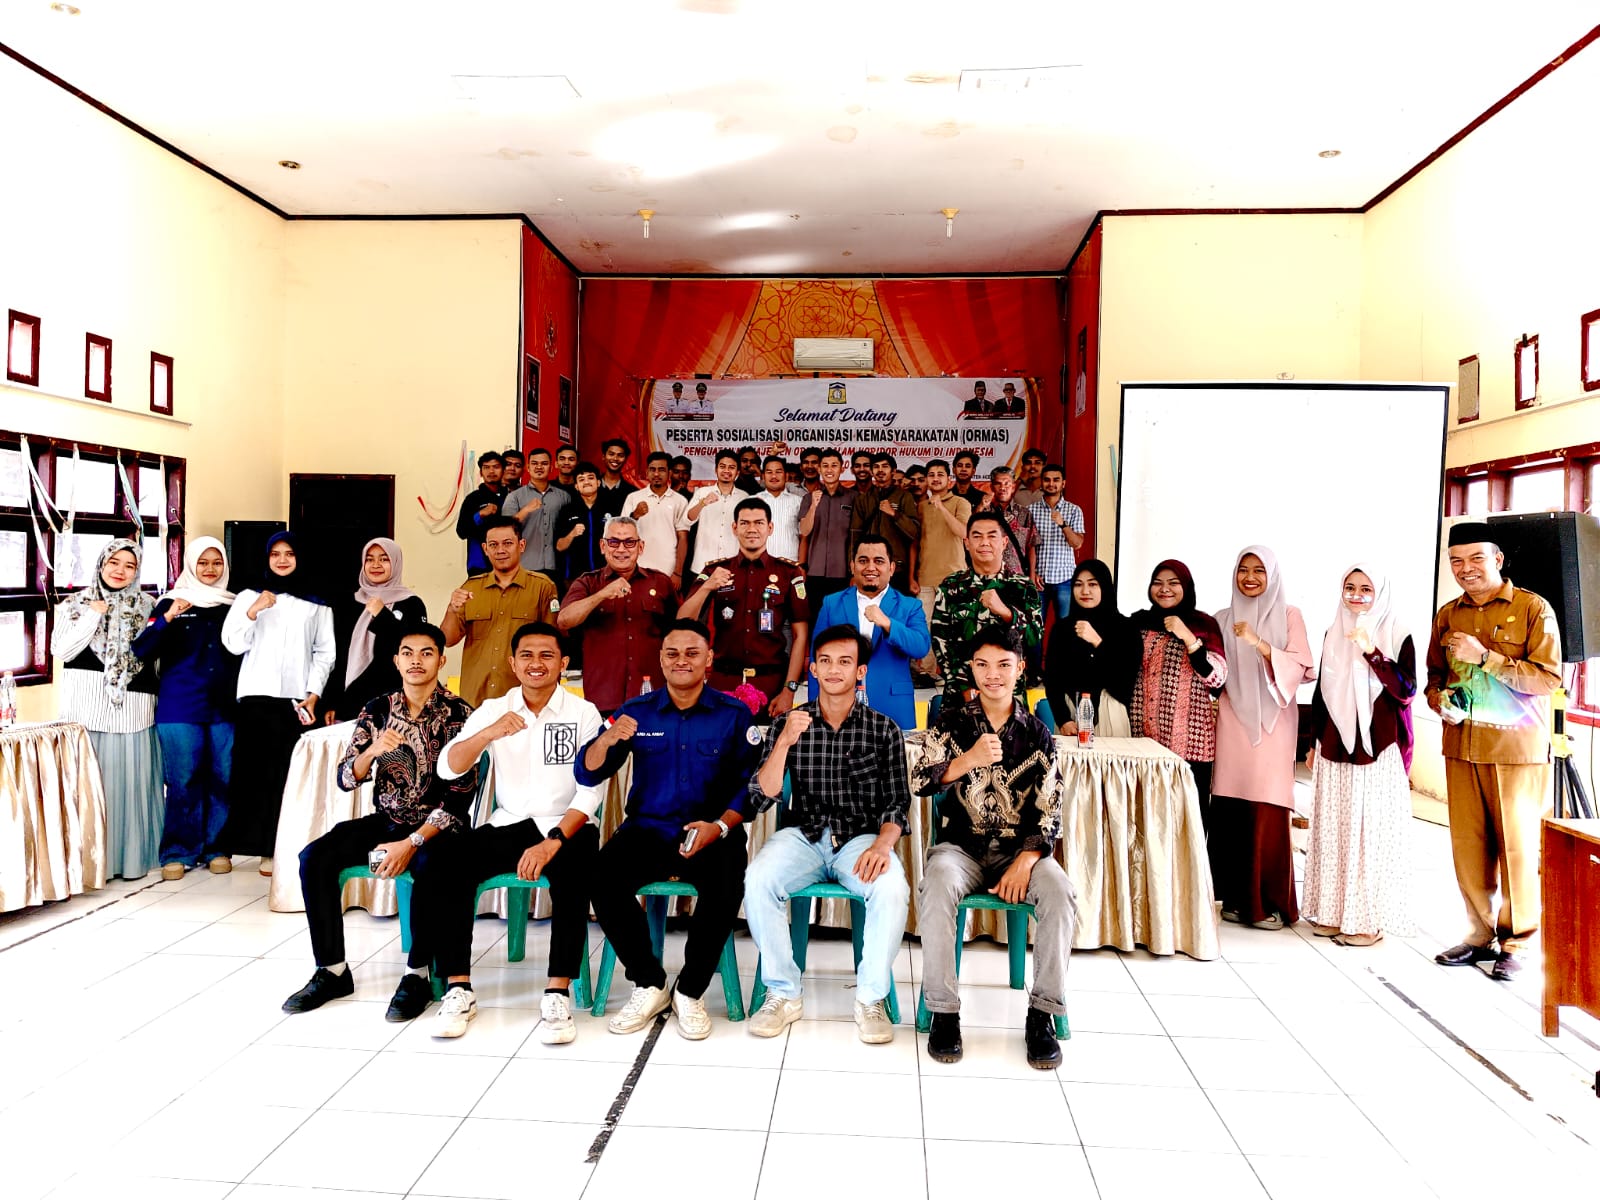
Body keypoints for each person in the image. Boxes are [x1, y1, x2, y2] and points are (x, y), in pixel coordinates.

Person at [281, 626, 476, 1021]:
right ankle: (332, 970)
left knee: (431, 864)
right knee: (314, 858)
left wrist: (412, 842)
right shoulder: (377, 709)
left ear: (441, 660)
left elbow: (461, 796)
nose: (416, 660)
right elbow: (345, 778)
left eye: (426, 653)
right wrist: (371, 751)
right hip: (387, 819)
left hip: (441, 828)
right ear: (396, 661)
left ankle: (417, 975)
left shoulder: (460, 713)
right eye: (408, 652)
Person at [577, 620, 760, 1039]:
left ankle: (690, 991)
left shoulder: (733, 715)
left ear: (709, 659)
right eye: (672, 653)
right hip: (649, 830)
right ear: (660, 660)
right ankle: (649, 982)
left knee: (726, 886)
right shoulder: (635, 712)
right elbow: (589, 773)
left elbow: (751, 787)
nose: (682, 661)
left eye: (692, 653)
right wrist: (606, 739)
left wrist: (719, 826)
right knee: (601, 877)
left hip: (712, 833)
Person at [427, 622, 604, 1041]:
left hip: (567, 825)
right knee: (447, 862)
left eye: (546, 655)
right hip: (510, 822)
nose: (535, 664)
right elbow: (448, 767)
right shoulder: (494, 709)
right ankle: (458, 987)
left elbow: (592, 790)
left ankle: (557, 991)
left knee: (574, 874)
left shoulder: (584, 713)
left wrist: (552, 843)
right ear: (512, 662)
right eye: (526, 655)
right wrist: (488, 733)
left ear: (563, 663)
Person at [913, 626, 1070, 1069]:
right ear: (972, 669)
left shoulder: (1038, 732)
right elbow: (920, 780)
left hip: (1020, 852)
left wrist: (1026, 859)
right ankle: (944, 1012)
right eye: (983, 665)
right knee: (936, 884)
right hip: (961, 848)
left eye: (1003, 665)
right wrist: (967, 760)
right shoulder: (951, 721)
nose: (993, 675)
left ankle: (1042, 1015)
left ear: (1020, 669)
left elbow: (1051, 809)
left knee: (1059, 892)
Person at [745, 627, 912, 1042]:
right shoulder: (790, 722)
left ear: (861, 671)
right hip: (803, 835)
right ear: (814, 669)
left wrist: (882, 846)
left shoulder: (883, 729)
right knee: (759, 878)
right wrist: (784, 742)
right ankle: (783, 992)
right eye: (825, 661)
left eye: (844, 662)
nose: (834, 670)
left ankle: (870, 997)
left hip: (860, 839)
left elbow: (897, 802)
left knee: (891, 888)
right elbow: (761, 796)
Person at [1426, 523, 1561, 981]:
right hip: (1462, 747)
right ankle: (1478, 936)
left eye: (1476, 558)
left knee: (1518, 850)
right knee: (1468, 849)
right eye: (1456, 561)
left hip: (1515, 751)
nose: (1466, 569)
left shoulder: (1532, 608)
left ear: (1498, 559)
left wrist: (1485, 657)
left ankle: (1517, 943)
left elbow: (1548, 678)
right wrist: (1439, 700)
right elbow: (1435, 675)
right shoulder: (1448, 615)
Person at [1304, 564, 1417, 947]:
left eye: (1365, 589)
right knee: (1336, 827)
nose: (1356, 595)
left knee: (1368, 832)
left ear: (1379, 592)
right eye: (1350, 587)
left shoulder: (1398, 632)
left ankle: (1367, 919)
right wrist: (1312, 743)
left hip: (1378, 746)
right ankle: (1334, 912)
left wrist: (1372, 652)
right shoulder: (1332, 632)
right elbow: (1322, 691)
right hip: (1334, 742)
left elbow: (1406, 691)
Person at [1211, 547, 1315, 930]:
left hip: (1274, 725)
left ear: (1272, 576)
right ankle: (1235, 900)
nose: (1250, 577)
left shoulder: (1289, 616)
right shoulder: (1222, 619)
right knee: (1232, 807)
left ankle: (1267, 902)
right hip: (1232, 721)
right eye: (1244, 569)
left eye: (1259, 570)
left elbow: (1301, 665)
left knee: (1267, 807)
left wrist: (1259, 643)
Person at [221, 531, 336, 874]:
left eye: (289, 554)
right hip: (255, 695)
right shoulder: (248, 595)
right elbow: (232, 643)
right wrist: (253, 611)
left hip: (296, 700)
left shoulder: (317, 601)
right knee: (250, 773)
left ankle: (277, 848)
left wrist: (314, 693)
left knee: (286, 775)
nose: (282, 560)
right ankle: (246, 844)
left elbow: (325, 652)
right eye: (275, 554)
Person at [52, 538, 163, 880]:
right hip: (87, 712)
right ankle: (88, 864)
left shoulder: (149, 606)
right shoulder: (75, 604)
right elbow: (62, 651)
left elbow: (157, 658)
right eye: (114, 562)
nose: (120, 571)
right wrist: (92, 615)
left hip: (134, 712)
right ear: (101, 564)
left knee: (129, 792)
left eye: (130, 566)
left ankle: (129, 862)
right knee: (90, 790)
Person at [132, 536, 240, 878]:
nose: (210, 569)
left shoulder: (234, 605)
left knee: (222, 778)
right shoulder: (170, 601)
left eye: (217, 563)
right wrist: (168, 617)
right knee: (183, 780)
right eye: (203, 563)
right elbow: (142, 650)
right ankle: (178, 851)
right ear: (191, 564)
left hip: (224, 707)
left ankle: (217, 848)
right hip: (179, 706)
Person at [1129, 560, 1229, 867]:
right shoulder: (1139, 622)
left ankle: (1188, 887)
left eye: (1173, 583)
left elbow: (1216, 677)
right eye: (1158, 582)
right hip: (1144, 738)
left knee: (1188, 821)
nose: (1165, 589)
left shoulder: (1203, 625)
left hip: (1190, 745)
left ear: (1186, 587)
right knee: (1146, 819)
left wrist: (1188, 637)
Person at [680, 497, 809, 717]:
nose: (751, 529)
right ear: (734, 528)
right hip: (723, 682)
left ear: (770, 528)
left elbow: (801, 636)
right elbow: (682, 621)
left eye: (759, 523)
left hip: (771, 685)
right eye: (744, 523)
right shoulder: (715, 571)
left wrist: (789, 690)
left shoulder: (789, 573)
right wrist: (707, 587)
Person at [558, 516, 675, 715]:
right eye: (614, 542)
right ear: (602, 546)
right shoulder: (588, 583)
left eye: (629, 542)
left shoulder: (660, 582)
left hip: (652, 696)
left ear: (641, 547)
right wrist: (601, 595)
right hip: (603, 698)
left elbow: (679, 632)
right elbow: (564, 621)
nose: (621, 549)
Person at [810, 537, 929, 730]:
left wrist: (888, 624)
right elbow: (816, 658)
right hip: (838, 709)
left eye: (879, 561)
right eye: (863, 561)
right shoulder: (831, 603)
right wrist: (815, 710)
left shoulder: (910, 606)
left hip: (893, 707)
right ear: (852, 566)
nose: (870, 567)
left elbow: (921, 647)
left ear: (891, 568)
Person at [441, 516, 558, 707]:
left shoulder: (542, 587)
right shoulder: (471, 588)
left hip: (524, 700)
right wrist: (452, 609)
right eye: (493, 545)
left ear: (521, 545)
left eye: (508, 543)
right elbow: (447, 639)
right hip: (476, 698)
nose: (500, 550)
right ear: (485, 549)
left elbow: (553, 645)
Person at [931, 512, 1043, 707]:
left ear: (1004, 542)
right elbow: (940, 641)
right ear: (967, 543)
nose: (984, 542)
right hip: (960, 698)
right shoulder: (951, 586)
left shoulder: (1023, 586)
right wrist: (964, 687)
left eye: (992, 536)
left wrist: (1007, 613)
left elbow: (1034, 637)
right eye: (977, 536)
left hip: (1009, 697)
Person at [323, 538, 428, 724]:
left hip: (392, 704)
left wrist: (383, 616)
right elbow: (338, 655)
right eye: (369, 559)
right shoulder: (350, 604)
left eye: (384, 559)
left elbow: (413, 649)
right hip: (350, 703)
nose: (376, 565)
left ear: (395, 562)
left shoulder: (411, 604)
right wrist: (331, 701)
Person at [1044, 559, 1140, 737]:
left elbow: (1124, 678)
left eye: (1093, 584)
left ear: (1105, 586)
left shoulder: (1126, 628)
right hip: (1071, 715)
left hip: (1109, 711)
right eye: (1078, 584)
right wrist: (1063, 719)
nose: (1085, 591)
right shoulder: (1062, 628)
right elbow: (1052, 679)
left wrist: (1097, 642)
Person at [913, 460, 972, 684]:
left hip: (954, 576)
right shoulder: (920, 506)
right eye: (931, 474)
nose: (935, 478)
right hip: (926, 576)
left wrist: (941, 508)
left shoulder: (960, 502)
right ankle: (928, 673)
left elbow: (964, 532)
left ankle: (957, 673)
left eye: (940, 474)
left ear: (949, 478)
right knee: (925, 626)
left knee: (955, 627)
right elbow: (916, 542)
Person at [796, 448, 856, 621]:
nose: (829, 470)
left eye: (834, 465)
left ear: (842, 468)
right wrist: (814, 506)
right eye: (825, 466)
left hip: (843, 572)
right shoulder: (809, 498)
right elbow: (804, 531)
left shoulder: (853, 497)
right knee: (816, 620)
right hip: (815, 571)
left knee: (841, 621)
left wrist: (855, 571)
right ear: (819, 469)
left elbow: (858, 537)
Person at [849, 452, 919, 595]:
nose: (880, 470)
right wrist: (853, 570)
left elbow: (914, 532)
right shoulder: (863, 499)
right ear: (871, 471)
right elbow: (854, 536)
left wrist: (894, 514)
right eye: (876, 467)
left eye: (885, 466)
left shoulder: (904, 497)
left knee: (895, 607)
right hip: (868, 569)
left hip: (896, 569)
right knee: (869, 607)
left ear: (893, 471)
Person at [622, 451, 691, 587]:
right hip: (638, 567)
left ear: (669, 473)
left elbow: (683, 538)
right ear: (647, 472)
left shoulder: (680, 501)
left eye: (661, 470)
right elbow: (622, 532)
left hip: (668, 568)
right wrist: (634, 515)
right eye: (652, 469)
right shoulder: (633, 497)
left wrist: (678, 573)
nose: (656, 474)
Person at [1027, 464, 1085, 621]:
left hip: (1065, 579)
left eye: (1056, 480)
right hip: (1038, 579)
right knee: (1035, 627)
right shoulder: (1030, 510)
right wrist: (1032, 574)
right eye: (1047, 480)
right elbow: (1028, 546)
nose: (1051, 484)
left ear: (1063, 483)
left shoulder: (1074, 510)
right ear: (1041, 482)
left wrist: (1063, 524)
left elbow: (1077, 543)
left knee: (1065, 628)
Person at [503, 447, 569, 583]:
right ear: (528, 467)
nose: (539, 467)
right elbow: (505, 530)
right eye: (534, 463)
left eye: (544, 463)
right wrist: (526, 510)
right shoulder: (514, 497)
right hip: (525, 565)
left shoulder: (564, 497)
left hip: (556, 565)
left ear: (551, 467)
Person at [687, 449, 744, 574]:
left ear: (737, 472)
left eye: (731, 467)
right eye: (722, 466)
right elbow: (688, 520)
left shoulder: (744, 497)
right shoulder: (702, 492)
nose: (726, 471)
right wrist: (702, 503)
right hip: (703, 563)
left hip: (732, 563)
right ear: (716, 470)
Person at [980, 465, 1038, 581]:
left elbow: (1031, 546)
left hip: (1017, 577)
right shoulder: (983, 512)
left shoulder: (1024, 513)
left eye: (1007, 484)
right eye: (998, 484)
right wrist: (980, 508)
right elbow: (970, 537)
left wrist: (1032, 575)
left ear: (1013, 487)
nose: (1003, 488)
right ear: (991, 487)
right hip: (988, 576)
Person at [554, 461, 606, 584]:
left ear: (598, 482)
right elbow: (559, 546)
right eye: (581, 479)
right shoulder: (567, 510)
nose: (586, 482)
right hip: (574, 577)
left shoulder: (610, 507)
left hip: (605, 574)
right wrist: (572, 534)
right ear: (576, 486)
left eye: (591, 478)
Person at [456, 451, 505, 574]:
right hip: (479, 564)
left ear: (503, 470)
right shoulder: (473, 499)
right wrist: (480, 515)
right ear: (481, 473)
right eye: (486, 467)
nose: (491, 471)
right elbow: (461, 531)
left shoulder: (510, 497)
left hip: (507, 562)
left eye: (496, 467)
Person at [757, 454, 804, 562]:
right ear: (763, 476)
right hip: (758, 563)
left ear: (786, 476)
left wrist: (801, 565)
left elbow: (804, 537)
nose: (774, 476)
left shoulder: (798, 502)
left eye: (778, 472)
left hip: (790, 563)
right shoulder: (752, 501)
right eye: (769, 472)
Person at [597, 438, 633, 519]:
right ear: (603, 456)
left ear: (625, 459)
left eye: (620, 455)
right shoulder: (592, 486)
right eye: (611, 454)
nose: (615, 458)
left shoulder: (631, 492)